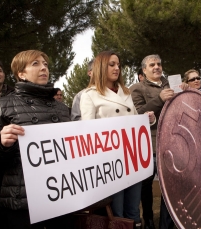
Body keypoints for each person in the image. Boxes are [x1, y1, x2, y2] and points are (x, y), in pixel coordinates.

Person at [0, 50, 72, 229]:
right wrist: (1, 143)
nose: (43, 68)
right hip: (23, 198)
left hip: (61, 194)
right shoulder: (3, 105)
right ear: (21, 74)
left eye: (45, 64)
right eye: (35, 64)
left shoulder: (62, 108)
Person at [80, 51, 155, 229]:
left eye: (118, 65)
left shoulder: (126, 92)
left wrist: (148, 119)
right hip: (110, 163)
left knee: (134, 209)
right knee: (117, 212)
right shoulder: (89, 95)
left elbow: (135, 120)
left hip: (132, 158)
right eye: (111, 64)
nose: (117, 68)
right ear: (100, 67)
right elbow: (88, 131)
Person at [130, 54, 188, 229]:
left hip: (174, 142)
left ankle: (168, 223)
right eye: (152, 65)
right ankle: (148, 219)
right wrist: (159, 99)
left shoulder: (174, 85)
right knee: (146, 186)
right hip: (151, 145)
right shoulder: (137, 88)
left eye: (159, 64)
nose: (156, 67)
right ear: (144, 70)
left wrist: (185, 92)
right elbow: (138, 113)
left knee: (170, 186)